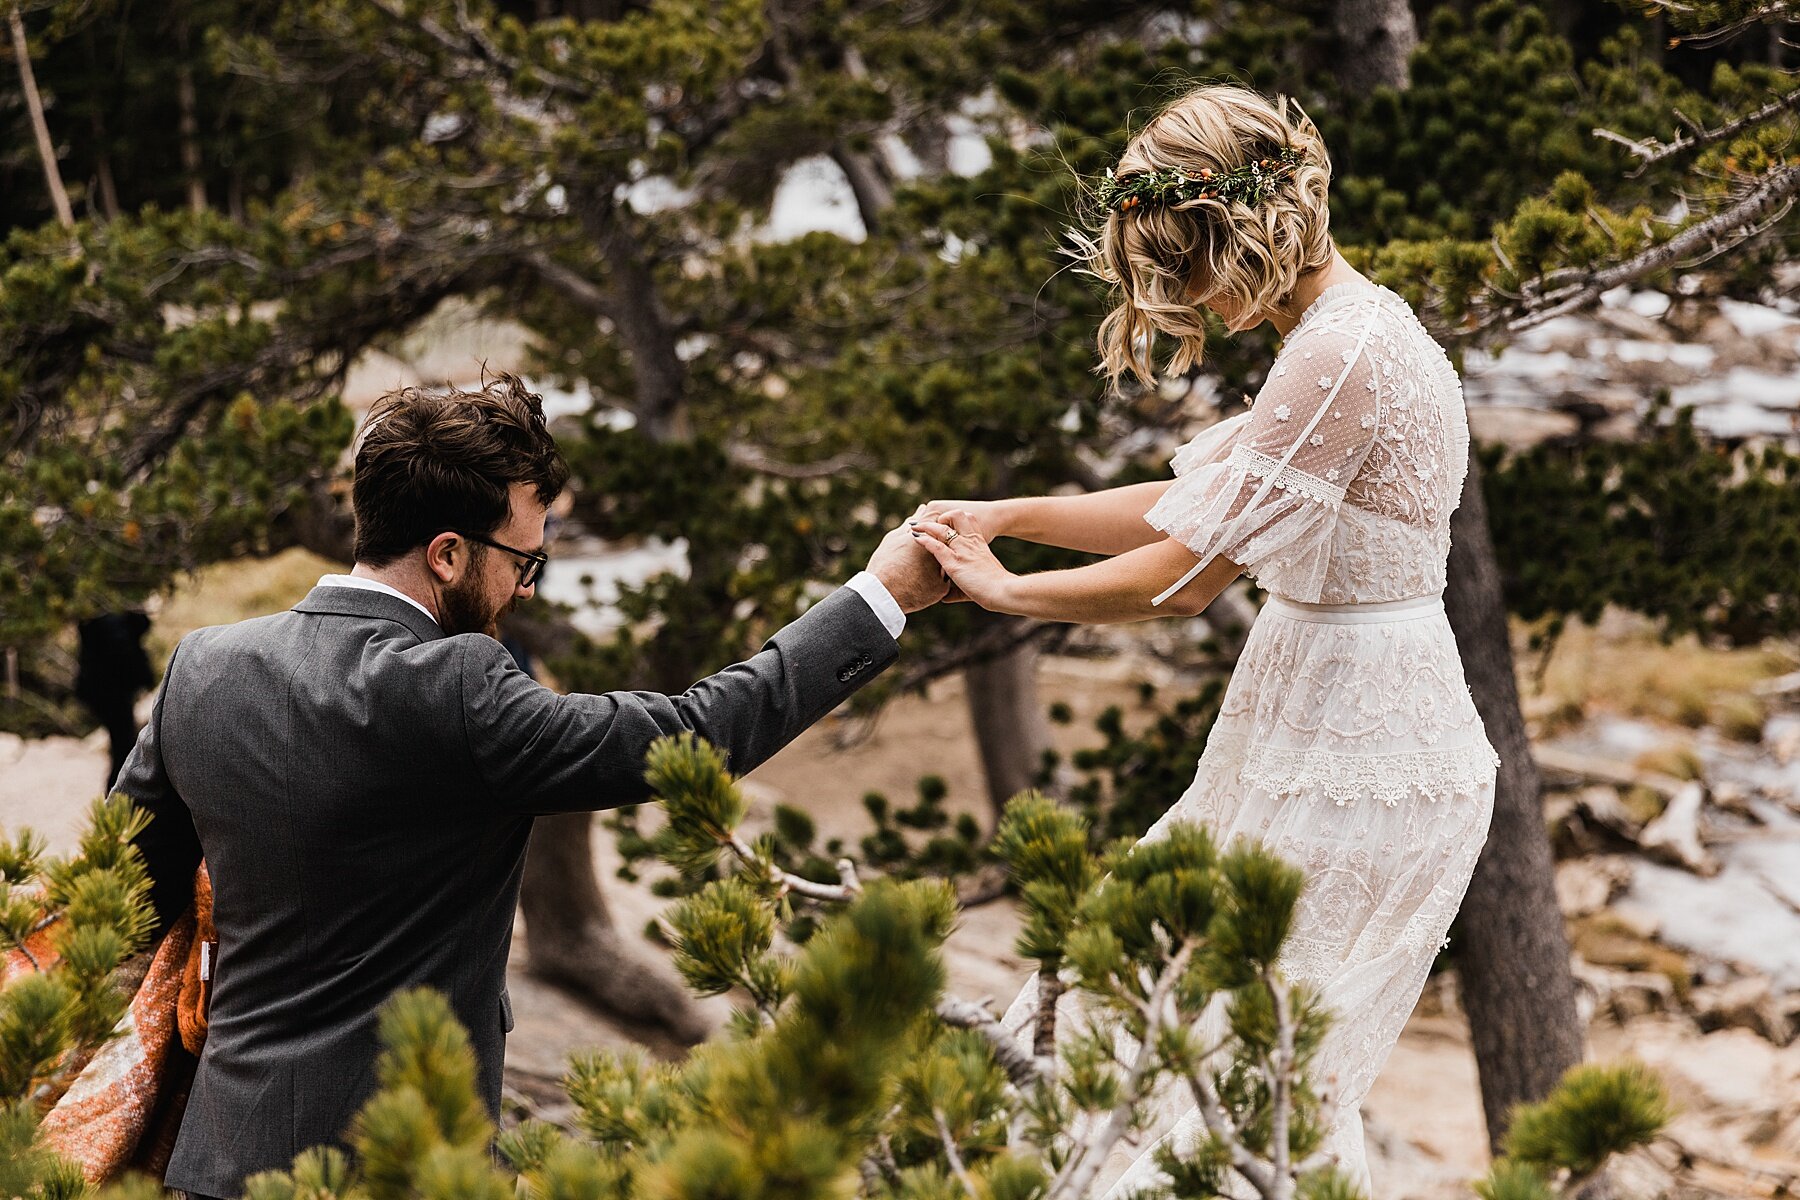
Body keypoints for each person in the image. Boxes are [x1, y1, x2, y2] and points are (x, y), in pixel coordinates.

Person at [114, 374, 947, 1197]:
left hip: (216, 1162)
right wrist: (879, 598)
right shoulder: (456, 688)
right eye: (526, 558)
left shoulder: (203, 667)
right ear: (446, 554)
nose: (530, 585)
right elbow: (694, 733)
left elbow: (121, 897)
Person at [909, 82, 1499, 1195]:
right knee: (1220, 1055)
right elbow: (1193, 510)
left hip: (1366, 755)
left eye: (1187, 262)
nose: (1178, 293)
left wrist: (1004, 594)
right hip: (1316, 712)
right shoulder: (1338, 335)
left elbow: (1184, 578)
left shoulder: (1341, 355)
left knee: (1246, 1080)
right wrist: (1007, 519)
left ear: (1251, 226)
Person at [75, 610, 155, 790]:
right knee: (123, 747)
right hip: (110, 692)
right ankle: (119, 795)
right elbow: (124, 656)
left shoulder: (104, 620)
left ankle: (119, 794)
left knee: (122, 745)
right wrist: (144, 676)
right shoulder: (115, 627)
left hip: (104, 690)